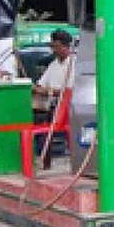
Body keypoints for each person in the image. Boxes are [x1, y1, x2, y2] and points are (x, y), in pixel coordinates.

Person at [32, 29, 75, 169]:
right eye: (52, 46)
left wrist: (47, 91)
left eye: (56, 46)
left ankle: (75, 162)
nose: (54, 50)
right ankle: (45, 163)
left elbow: (68, 90)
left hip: (69, 105)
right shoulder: (54, 64)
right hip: (52, 105)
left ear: (66, 47)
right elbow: (41, 83)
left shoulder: (74, 63)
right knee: (42, 126)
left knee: (71, 133)